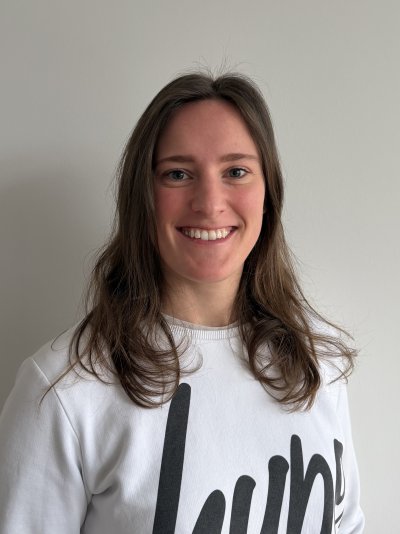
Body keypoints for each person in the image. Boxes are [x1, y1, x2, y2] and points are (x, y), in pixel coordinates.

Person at [0, 72, 364, 533]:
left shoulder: (318, 363)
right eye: (178, 174)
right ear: (143, 196)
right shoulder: (63, 389)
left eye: (236, 172)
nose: (209, 203)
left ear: (269, 191)